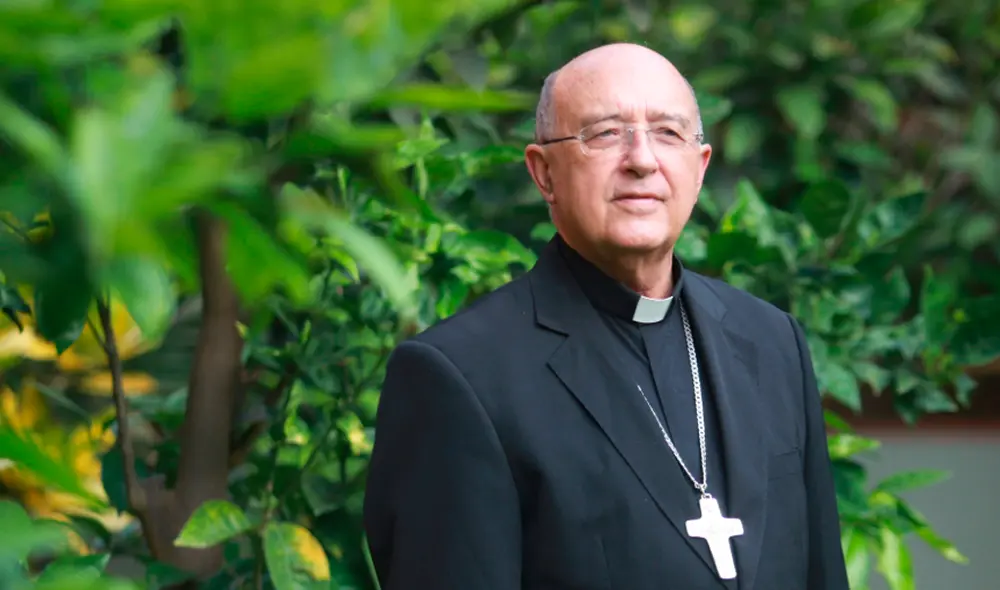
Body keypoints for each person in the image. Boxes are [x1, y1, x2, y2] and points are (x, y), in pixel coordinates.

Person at [363, 43, 849, 590]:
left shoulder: (770, 341)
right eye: (605, 133)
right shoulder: (459, 376)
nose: (642, 159)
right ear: (543, 173)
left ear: (700, 167)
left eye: (668, 133)